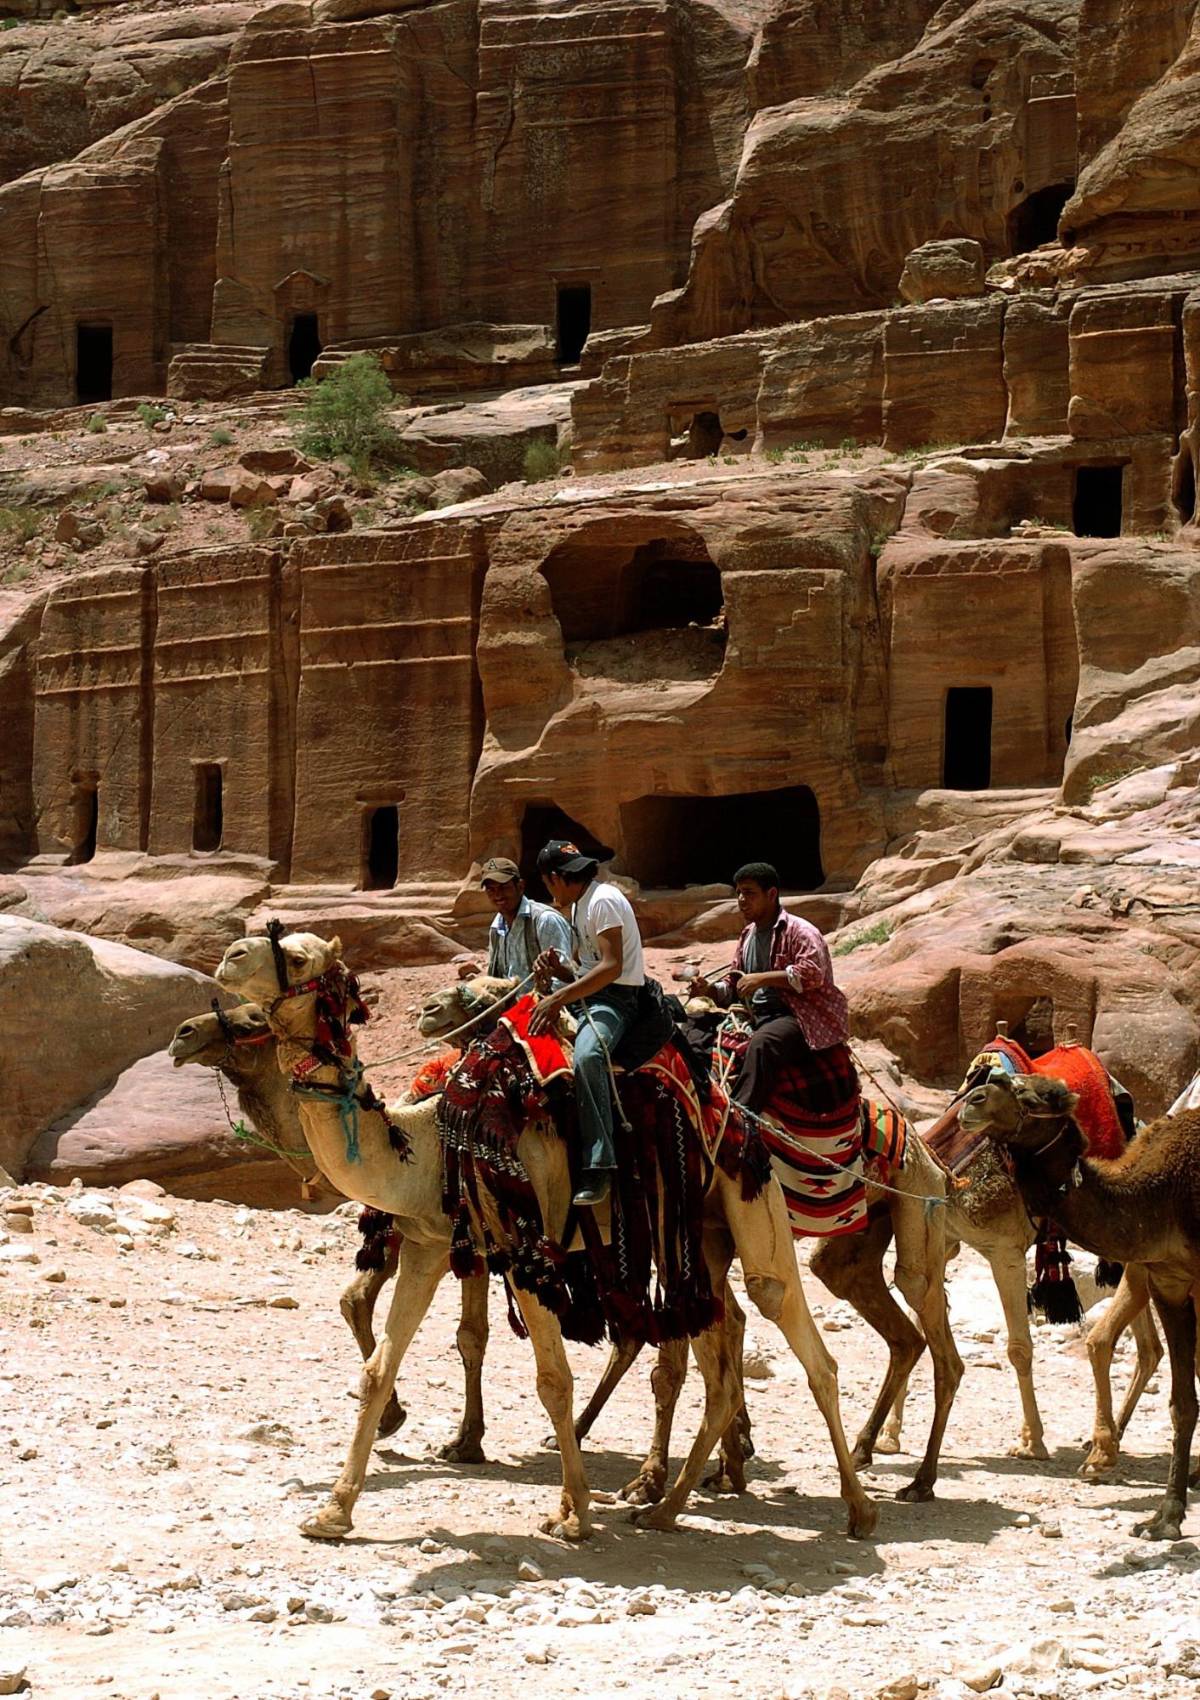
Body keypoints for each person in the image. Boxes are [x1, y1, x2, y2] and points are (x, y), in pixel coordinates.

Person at [528, 840, 645, 1208]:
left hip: (617, 1000)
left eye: (547, 884)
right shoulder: (579, 906)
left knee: (588, 1056)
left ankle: (599, 1163)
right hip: (590, 994)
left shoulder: (603, 900)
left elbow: (611, 967)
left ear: (554, 879)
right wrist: (560, 971)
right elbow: (586, 967)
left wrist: (560, 997)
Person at [690, 861, 849, 1114]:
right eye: (739, 893)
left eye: (750, 893)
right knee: (693, 1024)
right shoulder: (748, 935)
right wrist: (709, 990)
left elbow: (812, 975)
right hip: (756, 1013)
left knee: (763, 1044)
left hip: (797, 1015)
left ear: (771, 894)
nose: (741, 899)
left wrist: (762, 979)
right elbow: (734, 982)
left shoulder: (800, 931)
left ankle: (740, 1116)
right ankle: (697, 1095)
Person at [474, 856, 574, 984]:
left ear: (520, 886)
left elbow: (563, 982)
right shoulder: (496, 928)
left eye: (504, 887)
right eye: (491, 889)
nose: (498, 895)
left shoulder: (544, 920)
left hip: (544, 1001)